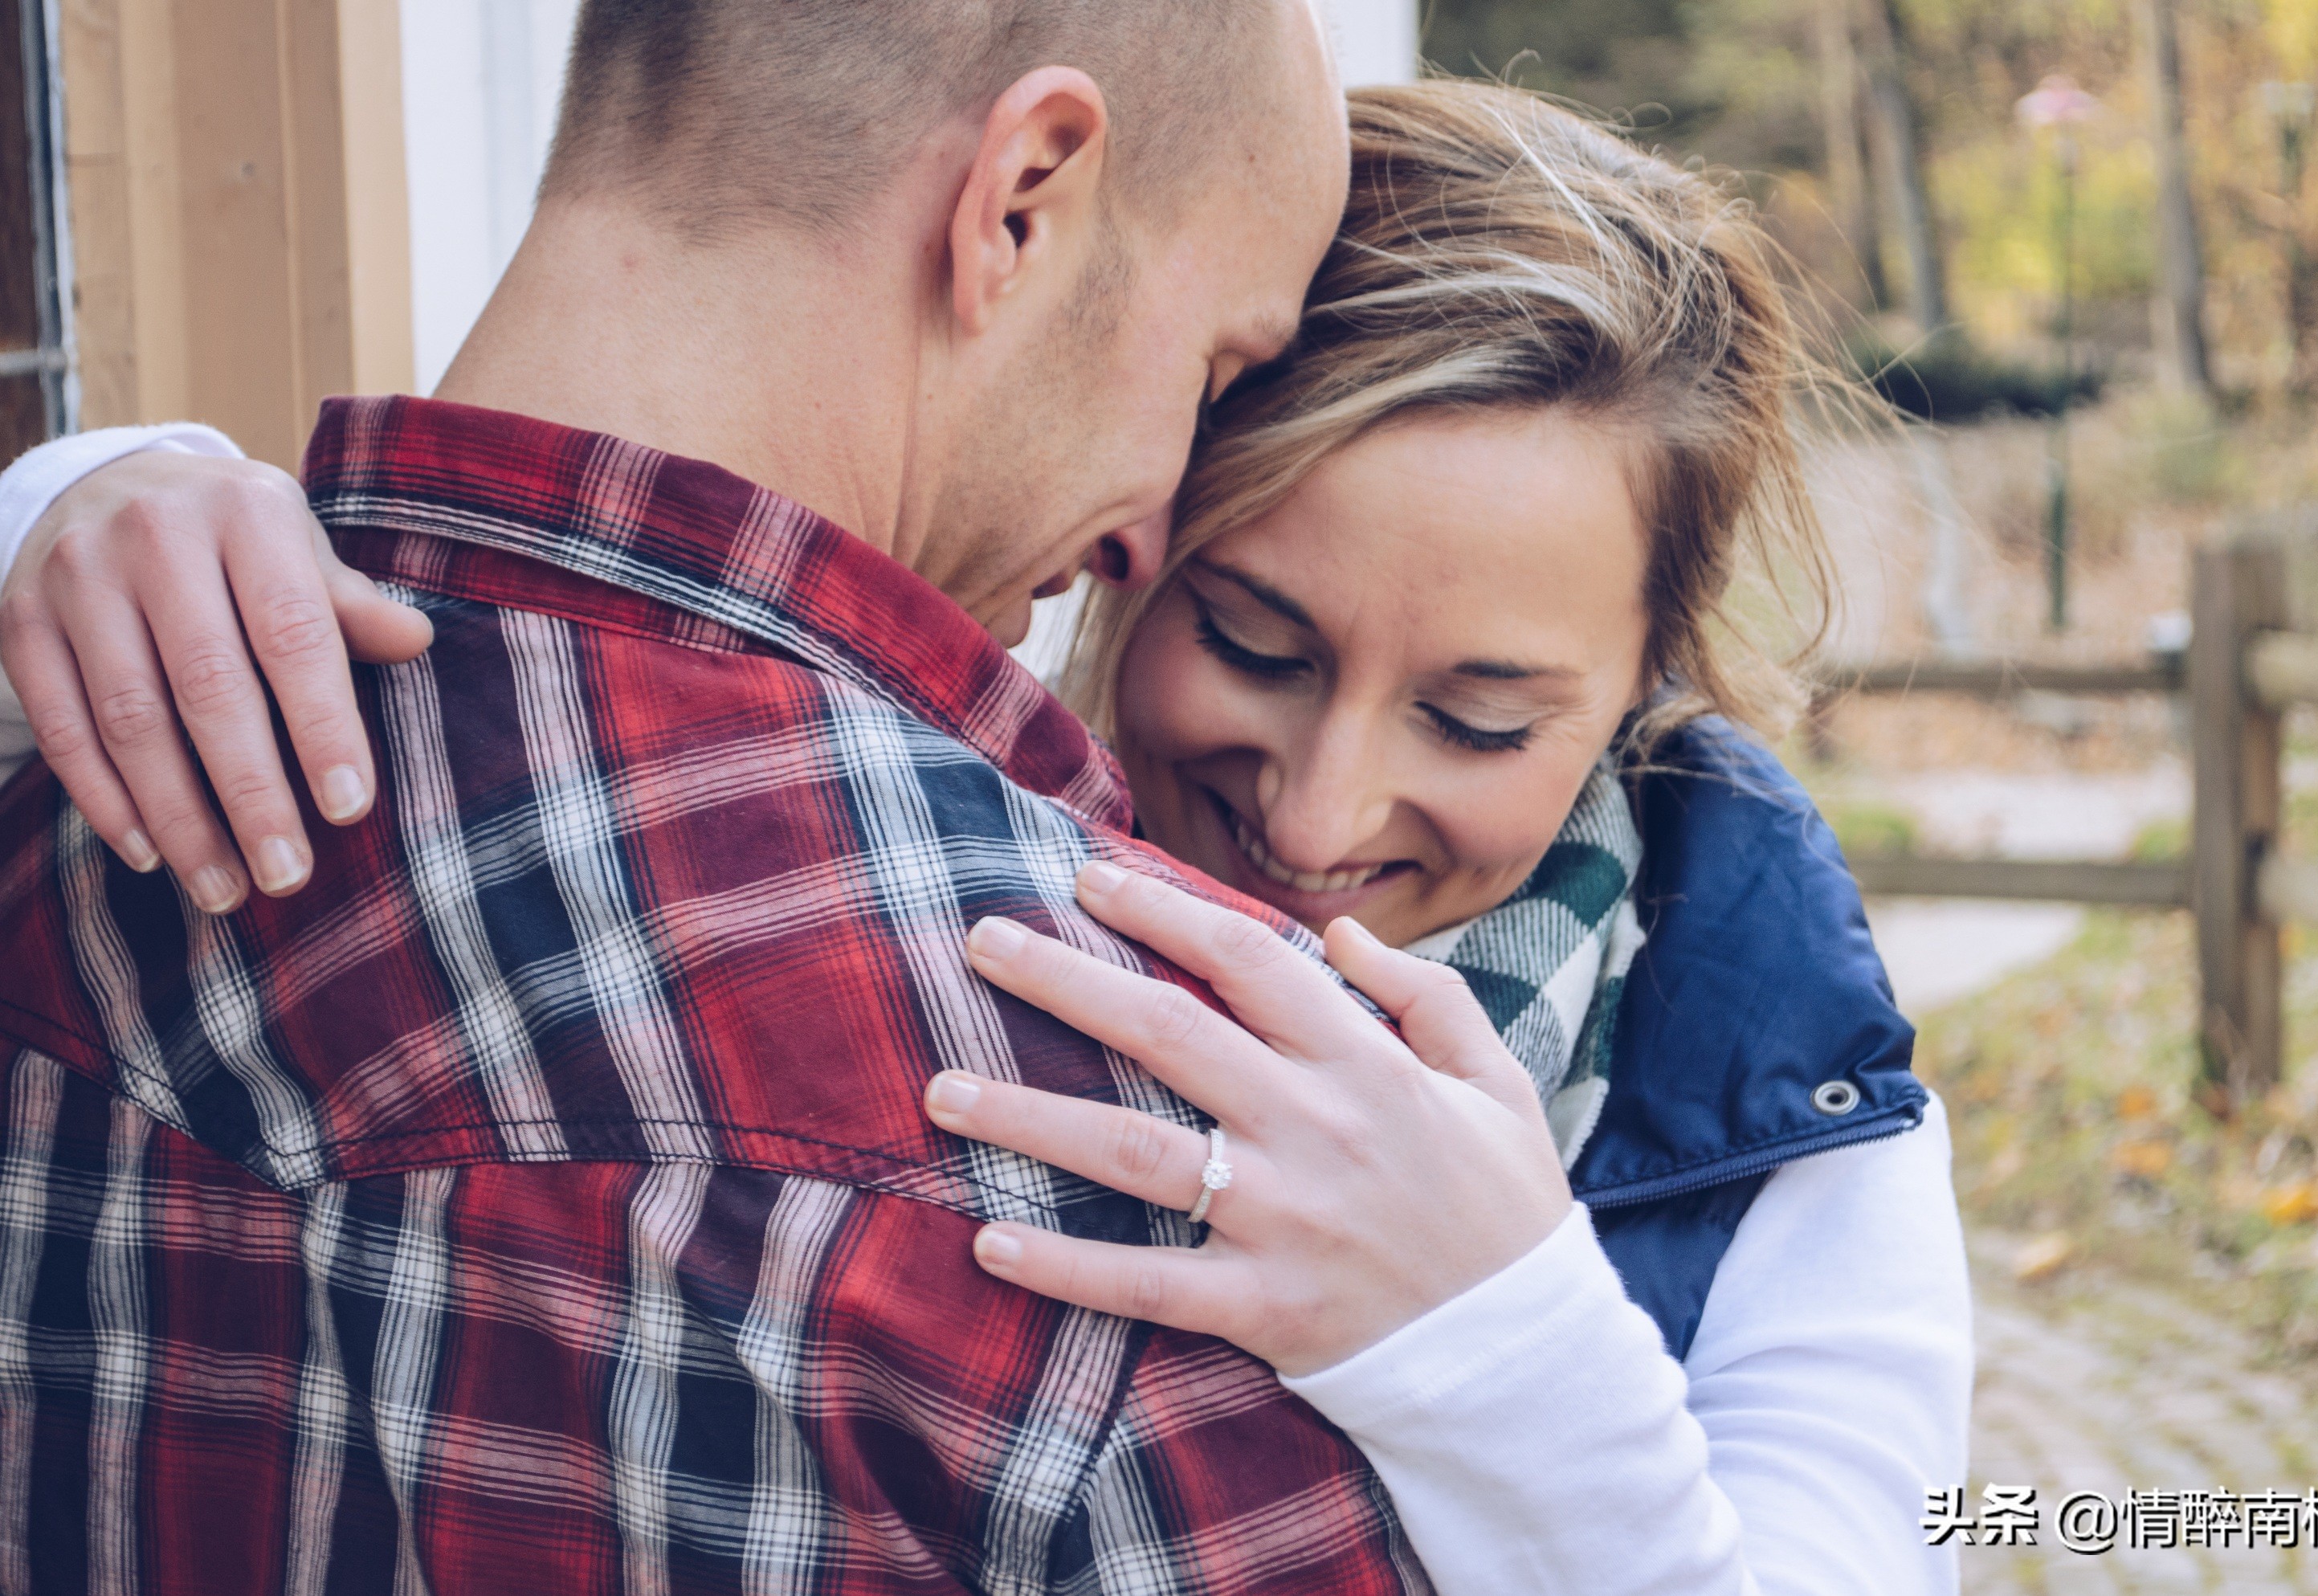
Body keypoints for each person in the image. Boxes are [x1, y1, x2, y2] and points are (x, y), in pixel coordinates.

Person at [0, 71, 1972, 1596]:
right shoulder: (948, 890)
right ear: (1132, 515)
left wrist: (1515, 1334)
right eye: (1252, 639)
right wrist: (97, 490)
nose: (1319, 808)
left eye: (1481, 714)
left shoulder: (1781, 1098)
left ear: (1645, 683)